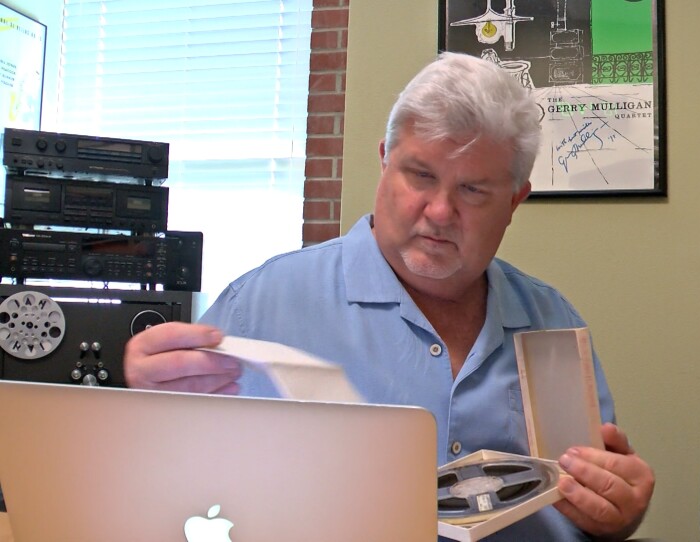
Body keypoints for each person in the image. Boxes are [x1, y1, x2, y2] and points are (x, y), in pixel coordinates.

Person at [125, 51, 655, 541]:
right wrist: (138, 409)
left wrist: (616, 515)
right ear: (384, 161)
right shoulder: (259, 306)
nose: (441, 212)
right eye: (420, 175)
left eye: (473, 190)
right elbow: (162, 483)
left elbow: (588, 504)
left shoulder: (552, 320)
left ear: (515, 201)